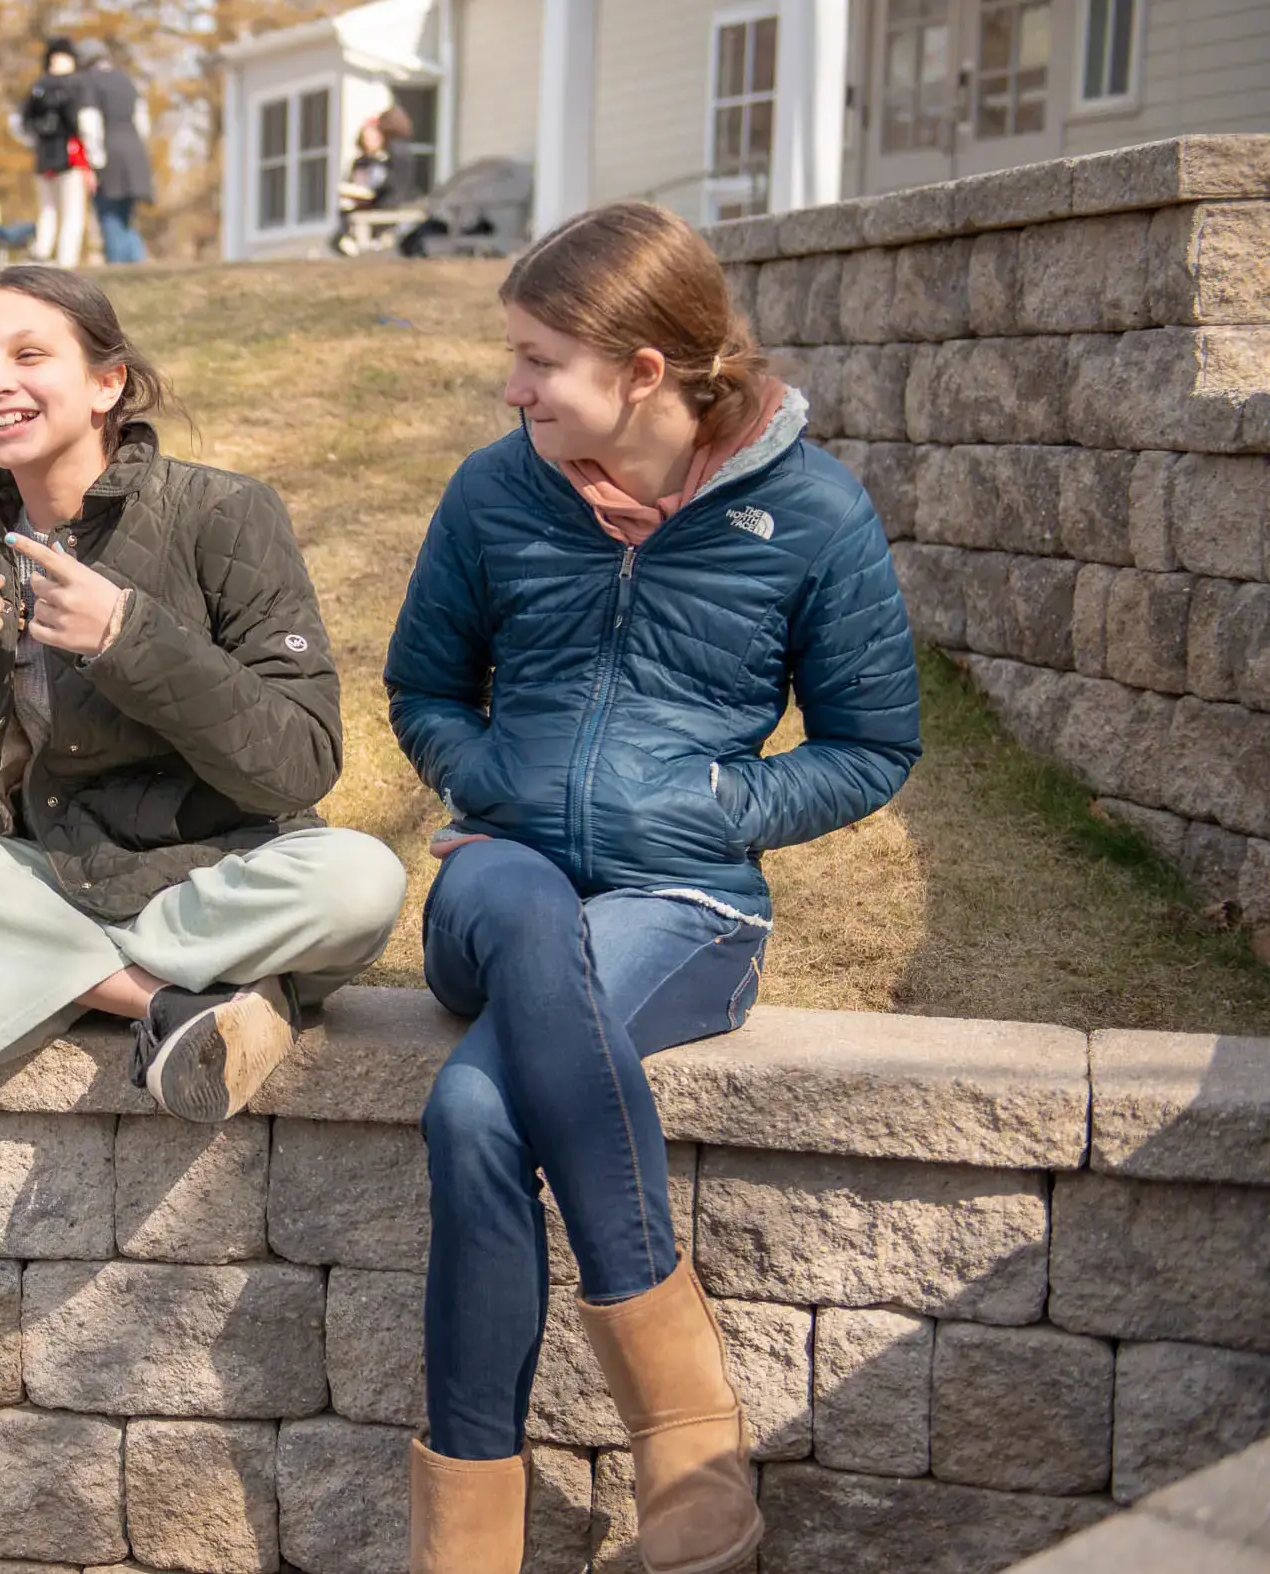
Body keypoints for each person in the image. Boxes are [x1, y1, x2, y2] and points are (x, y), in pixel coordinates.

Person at [383, 202, 920, 1574]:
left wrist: (725, 805)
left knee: (473, 1107)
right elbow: (424, 685)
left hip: (688, 911)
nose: (511, 388)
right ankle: (696, 1451)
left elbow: (873, 744)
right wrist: (486, 771)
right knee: (517, 900)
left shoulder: (809, 510)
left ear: (642, 371)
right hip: (496, 884)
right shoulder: (494, 489)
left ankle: (469, 1532)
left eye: (537, 359)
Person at [0, 265, 408, 1122]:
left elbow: (299, 765)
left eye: (29, 354)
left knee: (360, 881)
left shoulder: (225, 512)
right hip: (49, 870)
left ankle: (19, 970)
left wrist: (128, 638)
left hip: (214, 872)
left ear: (105, 382)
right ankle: (161, 1001)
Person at [9, 38, 105, 269]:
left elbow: (16, 123)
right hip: (72, 156)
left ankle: (42, 253)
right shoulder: (79, 85)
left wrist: (34, 142)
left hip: (44, 157)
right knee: (73, 211)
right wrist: (96, 157)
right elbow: (89, 122)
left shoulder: (37, 86)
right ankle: (66, 260)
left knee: (47, 209)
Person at [81, 46, 153, 265]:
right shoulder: (128, 82)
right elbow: (143, 122)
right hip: (134, 150)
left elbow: (89, 123)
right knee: (126, 216)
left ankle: (120, 265)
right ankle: (136, 263)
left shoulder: (90, 83)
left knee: (109, 214)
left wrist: (95, 160)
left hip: (109, 151)